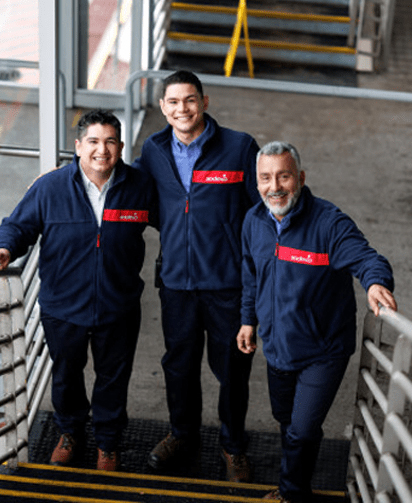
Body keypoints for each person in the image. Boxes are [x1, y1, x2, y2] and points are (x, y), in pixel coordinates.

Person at [0, 109, 156, 472]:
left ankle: (107, 444)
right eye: (93, 141)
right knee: (66, 376)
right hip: (63, 307)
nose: (101, 150)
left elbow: (175, 222)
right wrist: (4, 248)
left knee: (113, 379)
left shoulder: (139, 186)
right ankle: (70, 433)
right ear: (78, 146)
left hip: (119, 305)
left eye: (110, 142)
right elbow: (18, 225)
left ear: (121, 147)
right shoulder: (50, 187)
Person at [237, 141, 397, 502]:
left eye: (284, 176)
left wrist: (375, 283)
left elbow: (368, 258)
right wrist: (248, 320)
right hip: (277, 347)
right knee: (288, 421)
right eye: (265, 178)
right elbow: (251, 276)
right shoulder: (254, 221)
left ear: (301, 178)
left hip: (323, 350)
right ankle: (297, 472)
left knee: (303, 427)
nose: (274, 186)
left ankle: (292, 493)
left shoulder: (328, 223)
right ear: (256, 181)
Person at [133, 70, 260, 482]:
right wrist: (175, 230)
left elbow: (260, 213)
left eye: (189, 100)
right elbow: (139, 199)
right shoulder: (153, 150)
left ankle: (233, 445)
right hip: (177, 284)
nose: (181, 109)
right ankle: (182, 435)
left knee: (232, 370)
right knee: (179, 365)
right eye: (173, 102)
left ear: (205, 102)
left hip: (227, 284)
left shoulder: (239, 148)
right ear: (162, 107)